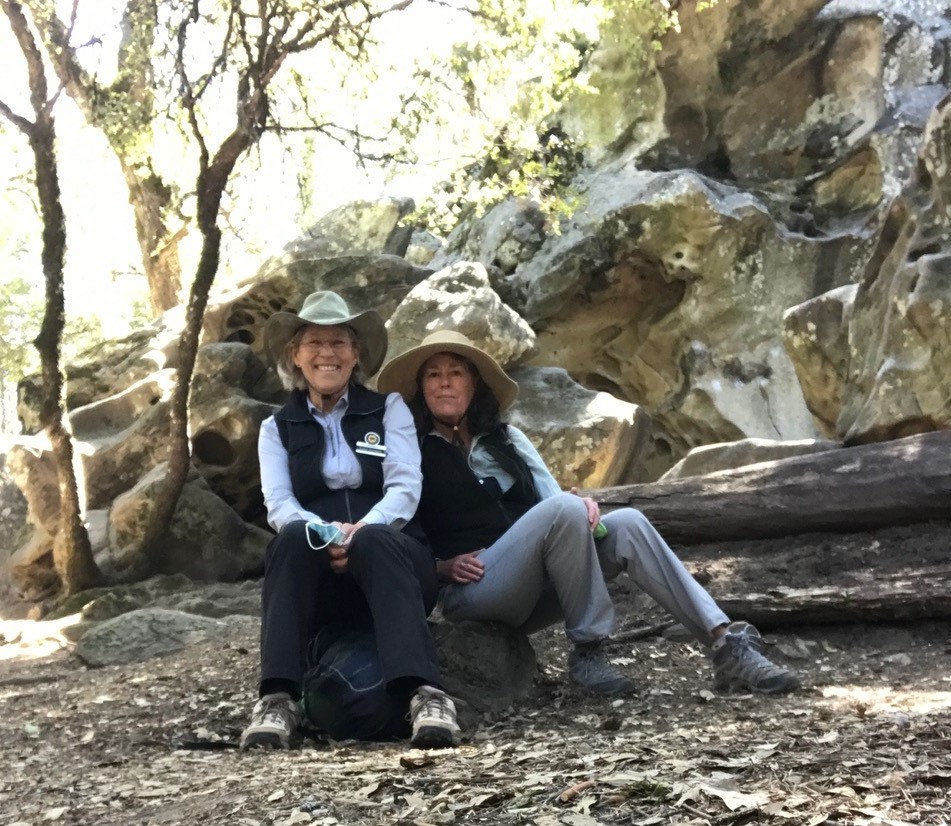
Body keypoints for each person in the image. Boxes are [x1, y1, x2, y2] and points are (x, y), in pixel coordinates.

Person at [376, 330, 800, 697]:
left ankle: (725, 644)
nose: (444, 383)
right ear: (421, 388)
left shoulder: (509, 439)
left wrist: (582, 511)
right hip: (474, 590)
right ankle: (590, 647)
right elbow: (399, 519)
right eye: (433, 374)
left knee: (627, 523)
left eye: (455, 373)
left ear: (474, 384)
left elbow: (550, 501)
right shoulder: (410, 446)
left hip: (538, 585)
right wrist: (437, 568)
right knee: (564, 508)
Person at [240, 292, 460, 750]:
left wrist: (361, 531)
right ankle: (279, 699)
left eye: (339, 341)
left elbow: (405, 487)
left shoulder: (389, 409)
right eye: (314, 343)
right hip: (321, 574)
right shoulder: (275, 428)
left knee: (377, 540)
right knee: (291, 538)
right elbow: (278, 503)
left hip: (395, 561)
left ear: (356, 353)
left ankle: (425, 696)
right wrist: (326, 535)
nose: (327, 353)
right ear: (295, 356)